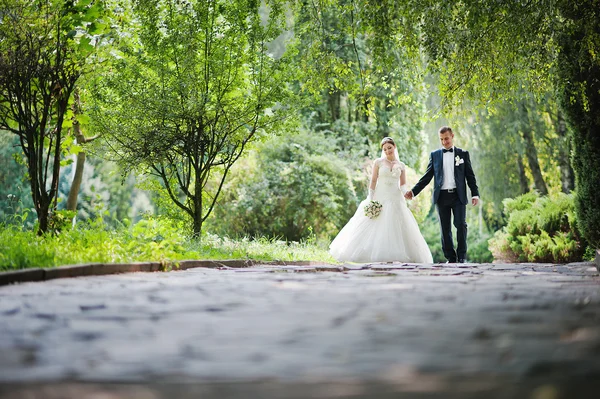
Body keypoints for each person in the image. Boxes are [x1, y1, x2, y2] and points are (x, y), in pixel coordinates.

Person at [329, 137, 433, 263]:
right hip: (380, 196)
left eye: (389, 147)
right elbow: (373, 181)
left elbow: (403, 185)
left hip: (395, 197)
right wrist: (371, 198)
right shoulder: (378, 162)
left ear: (394, 147)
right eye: (385, 149)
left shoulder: (401, 165)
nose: (388, 150)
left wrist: (407, 193)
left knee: (396, 224)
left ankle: (397, 255)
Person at [404, 126, 479, 263]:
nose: (444, 142)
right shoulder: (435, 155)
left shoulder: (463, 154)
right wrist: (413, 192)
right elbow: (427, 177)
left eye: (447, 139)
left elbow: (470, 176)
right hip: (441, 197)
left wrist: (475, 194)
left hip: (458, 196)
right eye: (442, 139)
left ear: (452, 136)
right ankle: (451, 258)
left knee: (460, 225)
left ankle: (461, 256)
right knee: (445, 229)